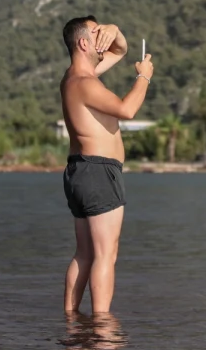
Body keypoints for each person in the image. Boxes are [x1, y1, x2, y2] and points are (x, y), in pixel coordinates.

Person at [60, 16, 154, 314]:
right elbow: (126, 110)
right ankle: (101, 330)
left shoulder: (72, 77)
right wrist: (145, 77)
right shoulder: (86, 83)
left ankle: (72, 321)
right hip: (98, 172)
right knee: (105, 254)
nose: (103, 38)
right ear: (84, 43)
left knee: (85, 253)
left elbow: (120, 51)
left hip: (80, 171)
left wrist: (116, 30)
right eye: (97, 33)